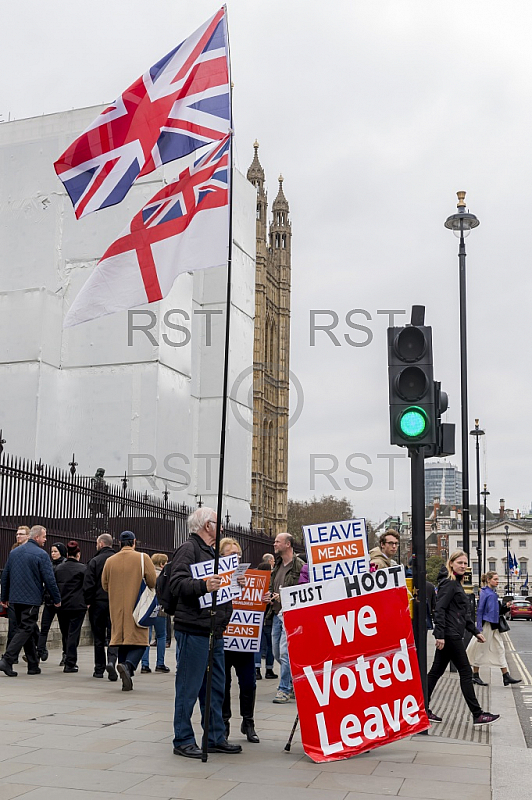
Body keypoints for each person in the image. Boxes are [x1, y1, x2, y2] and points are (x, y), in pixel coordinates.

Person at [169, 507, 242, 759]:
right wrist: (202, 585)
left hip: (214, 629)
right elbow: (176, 584)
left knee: (215, 687)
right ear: (206, 525)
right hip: (194, 629)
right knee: (189, 687)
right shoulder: (188, 549)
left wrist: (234, 583)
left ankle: (214, 736)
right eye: (216, 521)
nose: (220, 526)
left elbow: (220, 587)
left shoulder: (211, 552)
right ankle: (183, 739)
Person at [426, 550, 500, 726]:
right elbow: (440, 609)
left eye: (465, 563)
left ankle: (422, 709)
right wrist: (440, 634)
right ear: (451, 563)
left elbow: (462, 614)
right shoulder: (449, 584)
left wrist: (475, 631)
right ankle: (477, 714)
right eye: (459, 562)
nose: (463, 566)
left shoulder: (456, 584)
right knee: (466, 672)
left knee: (435, 672)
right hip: (450, 635)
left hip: (453, 633)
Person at [0, 525, 61, 677]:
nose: (46, 540)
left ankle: (33, 665)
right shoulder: (41, 555)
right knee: (27, 628)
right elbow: (49, 579)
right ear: (36, 537)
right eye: (44, 537)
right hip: (31, 599)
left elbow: (6, 574)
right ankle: (7, 659)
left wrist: (4, 597)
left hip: (15, 599)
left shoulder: (14, 552)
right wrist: (56, 598)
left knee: (25, 628)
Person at [101, 530, 156, 691]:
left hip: (117, 607)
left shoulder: (110, 561)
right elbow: (152, 581)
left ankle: (126, 674)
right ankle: (128, 665)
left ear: (119, 543)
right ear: (134, 542)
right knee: (140, 641)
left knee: (122, 640)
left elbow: (104, 585)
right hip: (137, 606)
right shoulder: (142, 558)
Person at [220, 537, 259, 743]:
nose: (236, 558)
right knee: (223, 682)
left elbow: (256, 604)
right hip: (224, 639)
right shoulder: (216, 576)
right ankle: (224, 721)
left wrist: (264, 599)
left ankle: (248, 721)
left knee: (248, 683)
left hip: (244, 640)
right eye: (231, 554)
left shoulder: (250, 577)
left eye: (239, 555)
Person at [266, 532, 304, 704]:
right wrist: (268, 596)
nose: (274, 544)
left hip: (289, 615)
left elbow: (304, 591)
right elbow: (271, 585)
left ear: (287, 544)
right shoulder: (277, 565)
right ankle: (293, 682)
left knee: (284, 653)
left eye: (277, 541)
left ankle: (283, 689)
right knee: (276, 652)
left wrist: (285, 598)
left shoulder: (300, 566)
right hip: (275, 613)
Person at [467, 571, 521, 687]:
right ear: (488, 580)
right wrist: (479, 628)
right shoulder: (485, 593)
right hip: (487, 625)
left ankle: (506, 676)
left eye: (497, 579)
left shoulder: (493, 593)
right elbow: (480, 611)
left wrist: (505, 607)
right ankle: (475, 675)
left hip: (494, 626)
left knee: (500, 649)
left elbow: (497, 611)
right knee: (480, 649)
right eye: (495, 579)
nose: (497, 581)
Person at [83, 533, 118, 680]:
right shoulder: (118, 560)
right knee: (113, 635)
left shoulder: (95, 561)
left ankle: (99, 669)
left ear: (101, 544)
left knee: (98, 637)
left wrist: (88, 601)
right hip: (115, 602)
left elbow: (88, 584)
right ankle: (111, 660)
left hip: (98, 602)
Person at [55, 541, 87, 673]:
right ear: (78, 554)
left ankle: (66, 656)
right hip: (78, 605)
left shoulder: (58, 569)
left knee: (65, 632)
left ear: (67, 554)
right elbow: (87, 587)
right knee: (74, 633)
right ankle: (70, 662)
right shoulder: (83, 569)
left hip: (62, 605)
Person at [38, 542, 67, 662]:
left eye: (55, 551)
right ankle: (39, 652)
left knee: (64, 629)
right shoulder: (49, 564)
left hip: (61, 602)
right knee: (44, 628)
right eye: (52, 552)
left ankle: (66, 655)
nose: (53, 554)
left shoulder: (65, 565)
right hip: (49, 601)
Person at [141, 553, 170, 674]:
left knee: (146, 637)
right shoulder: (165, 576)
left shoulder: (147, 575)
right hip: (160, 608)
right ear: (162, 564)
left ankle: (145, 664)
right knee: (161, 636)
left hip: (147, 608)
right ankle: (160, 663)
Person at [254, 558, 276, 681]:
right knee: (270, 645)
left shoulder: (256, 584)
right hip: (269, 618)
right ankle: (269, 669)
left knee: (258, 645)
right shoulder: (271, 584)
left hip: (257, 617)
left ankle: (257, 669)